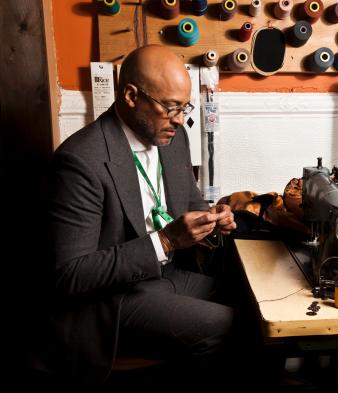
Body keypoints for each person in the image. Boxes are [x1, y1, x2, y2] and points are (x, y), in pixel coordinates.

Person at [37, 45, 238, 384]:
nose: (179, 118)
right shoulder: (80, 161)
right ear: (131, 95)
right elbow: (68, 275)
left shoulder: (174, 139)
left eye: (183, 106)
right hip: (110, 301)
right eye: (170, 107)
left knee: (252, 301)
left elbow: (191, 204)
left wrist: (213, 220)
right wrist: (165, 240)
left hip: (165, 277)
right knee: (229, 326)